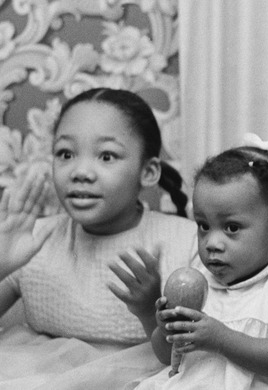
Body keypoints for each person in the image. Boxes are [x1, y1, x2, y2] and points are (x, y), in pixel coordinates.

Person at [0, 88, 197, 388]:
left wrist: (148, 311)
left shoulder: (185, 241)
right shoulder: (34, 239)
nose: (80, 172)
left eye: (106, 156)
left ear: (148, 172)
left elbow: (187, 355)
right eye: (66, 154)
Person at [136, 144, 268, 390]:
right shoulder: (199, 282)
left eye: (231, 228)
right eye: (203, 226)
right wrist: (167, 331)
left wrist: (221, 339)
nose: (211, 243)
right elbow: (168, 358)